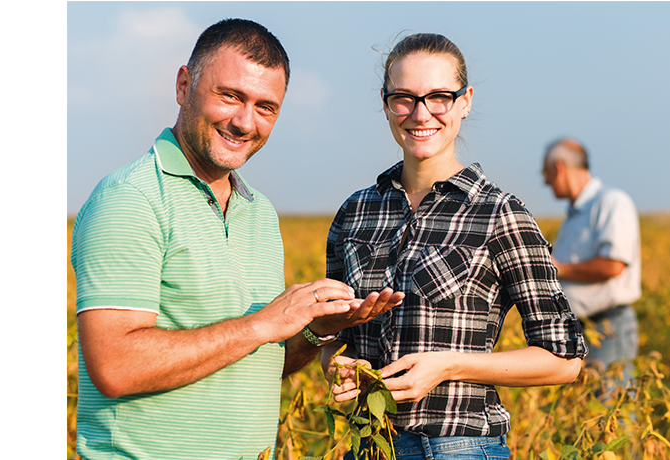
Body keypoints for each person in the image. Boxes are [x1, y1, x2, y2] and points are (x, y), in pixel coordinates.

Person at [70, 19, 403, 459]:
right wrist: (262, 323)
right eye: (230, 96)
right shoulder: (131, 199)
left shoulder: (259, 212)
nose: (245, 121)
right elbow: (115, 366)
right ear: (184, 85)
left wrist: (315, 331)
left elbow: (253, 362)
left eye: (266, 107)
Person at [320, 33, 585, 459]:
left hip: (456, 448)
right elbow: (333, 329)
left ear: (465, 101)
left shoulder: (499, 213)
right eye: (403, 97)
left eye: (439, 97)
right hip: (367, 447)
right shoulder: (356, 212)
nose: (420, 113)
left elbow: (564, 359)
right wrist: (335, 360)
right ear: (385, 102)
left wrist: (449, 365)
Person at [541, 138, 641, 385]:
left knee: (612, 411)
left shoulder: (611, 202)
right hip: (581, 330)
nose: (545, 181)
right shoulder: (576, 213)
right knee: (589, 412)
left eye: (546, 172)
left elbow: (613, 265)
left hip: (607, 328)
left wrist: (557, 268)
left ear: (559, 168)